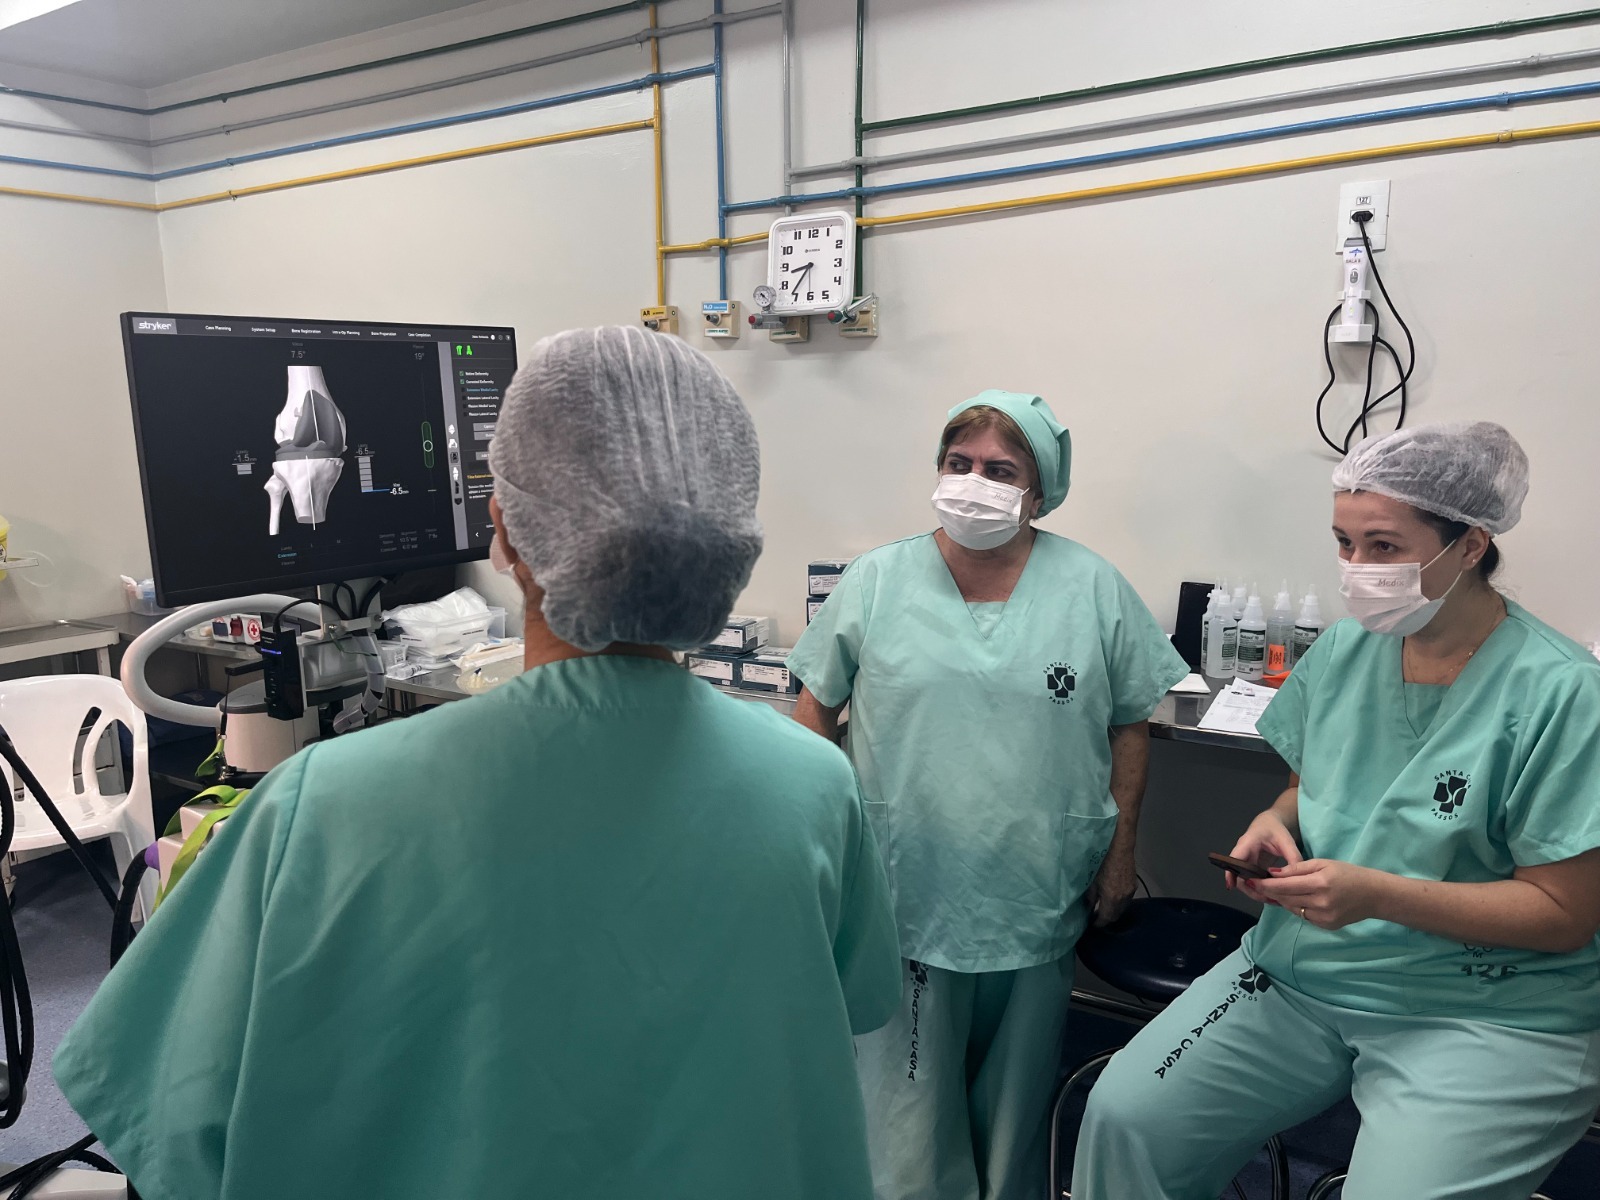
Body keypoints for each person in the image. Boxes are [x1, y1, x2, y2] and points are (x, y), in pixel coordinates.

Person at [54, 326, 903, 1200]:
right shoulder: (813, 784)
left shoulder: (326, 803)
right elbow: (860, 1001)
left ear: (503, 532)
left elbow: (175, 1120)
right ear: (728, 543)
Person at [1073, 422, 1600, 1200]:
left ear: (1471, 545)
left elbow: (1564, 914)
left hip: (1484, 1007)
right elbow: (1307, 787)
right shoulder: (1346, 652)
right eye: (1345, 544)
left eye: (1384, 546)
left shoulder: (1561, 693)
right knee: (1129, 1119)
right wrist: (1275, 822)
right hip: (1307, 974)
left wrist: (1376, 895)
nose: (1357, 569)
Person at [788, 390, 1188, 1200]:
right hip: (905, 883)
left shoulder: (1092, 587)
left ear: (1040, 491)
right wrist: (820, 844)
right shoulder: (878, 579)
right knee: (905, 1104)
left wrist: (1121, 854)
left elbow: (1130, 726)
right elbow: (814, 710)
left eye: (1000, 470)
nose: (974, 483)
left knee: (1013, 1100)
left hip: (1035, 882)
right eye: (958, 463)